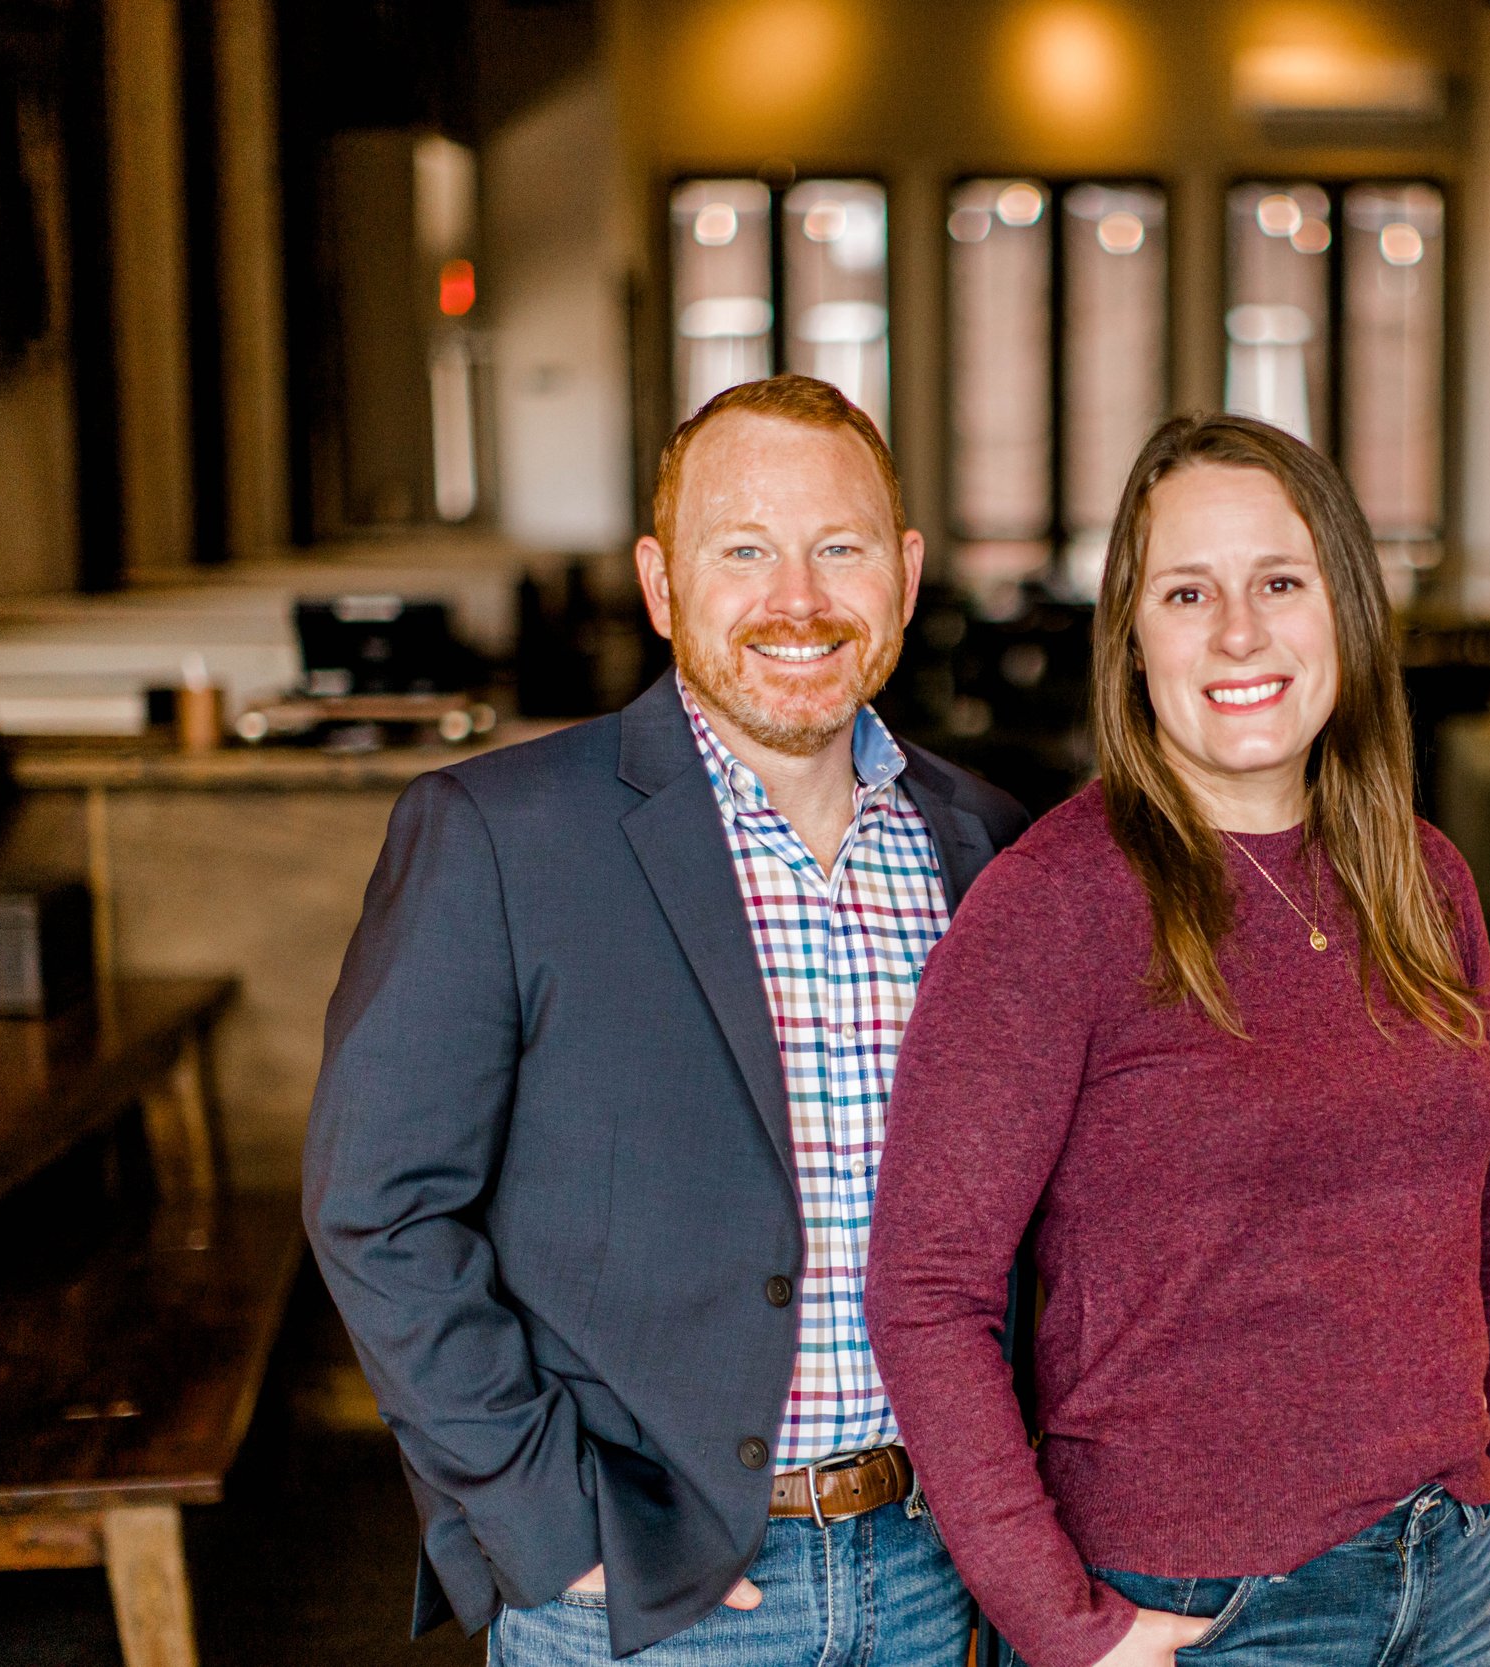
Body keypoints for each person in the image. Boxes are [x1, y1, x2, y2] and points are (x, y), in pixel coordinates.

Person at [303, 374, 1029, 1665]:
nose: (797, 599)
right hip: (647, 1595)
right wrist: (544, 1521)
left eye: (840, 548)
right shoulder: (497, 833)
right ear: (661, 581)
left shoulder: (987, 845)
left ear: (907, 575)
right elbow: (381, 1205)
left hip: (932, 1566)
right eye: (742, 548)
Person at [866, 414, 1490, 1667]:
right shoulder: (1054, 905)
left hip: (1456, 1574)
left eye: (1279, 582)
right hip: (1202, 1611)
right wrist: (1061, 1624)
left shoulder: (1426, 879)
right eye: (1187, 592)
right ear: (1133, 638)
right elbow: (927, 1294)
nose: (1238, 633)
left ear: (1344, 610)